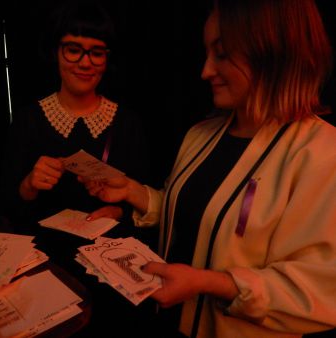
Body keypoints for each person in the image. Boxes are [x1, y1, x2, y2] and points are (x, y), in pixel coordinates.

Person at [81, 0, 336, 337]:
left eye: (223, 54)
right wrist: (132, 191)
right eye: (207, 53)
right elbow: (192, 215)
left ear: (274, 53)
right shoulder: (201, 134)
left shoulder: (321, 152)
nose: (205, 71)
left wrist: (212, 283)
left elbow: (320, 292)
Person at [0, 1, 158, 337]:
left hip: (111, 273)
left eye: (96, 52)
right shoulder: (28, 120)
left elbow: (149, 200)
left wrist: (116, 210)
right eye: (74, 50)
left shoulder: (128, 123)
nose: (85, 62)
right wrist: (27, 184)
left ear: (107, 59)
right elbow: (5, 206)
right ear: (56, 52)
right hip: (45, 268)